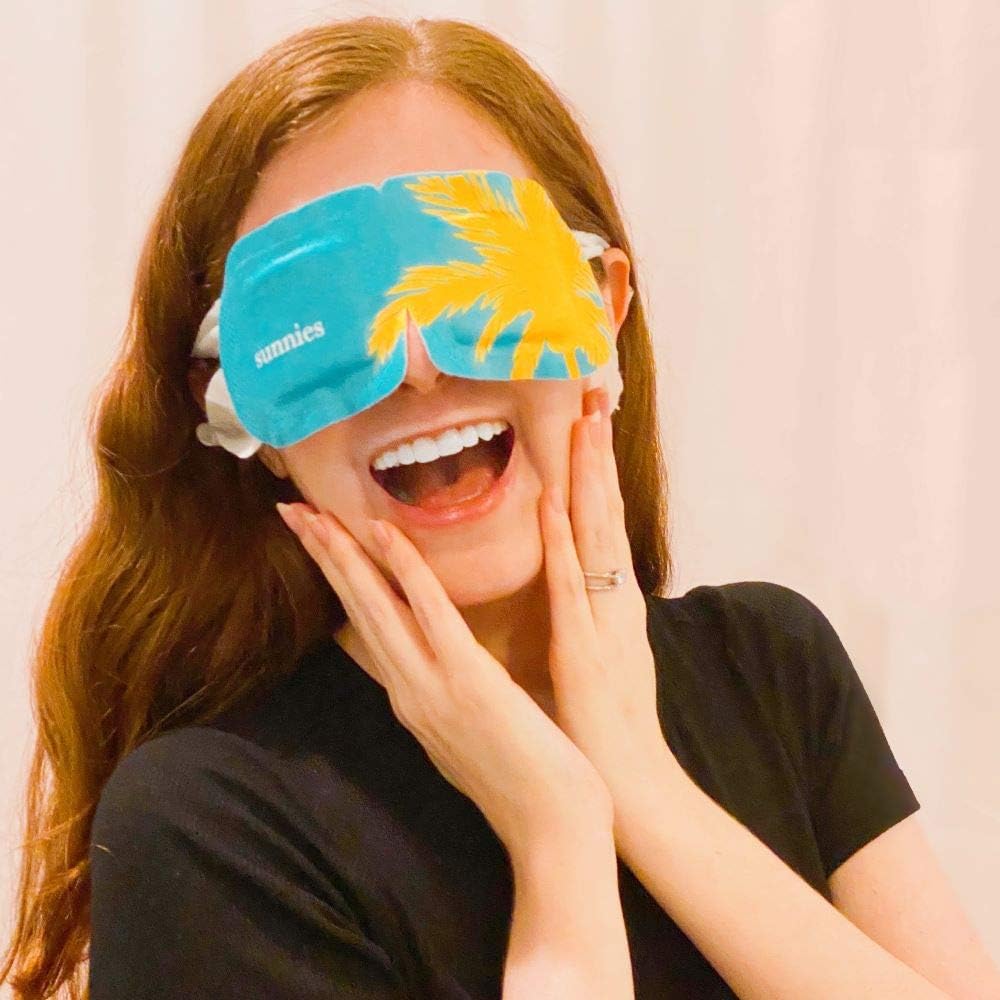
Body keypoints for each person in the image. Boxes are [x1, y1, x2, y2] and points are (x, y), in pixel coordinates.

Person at [4, 15, 997, 1000]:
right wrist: (557, 836)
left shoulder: (774, 668)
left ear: (601, 306)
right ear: (237, 409)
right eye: (325, 313)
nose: (418, 365)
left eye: (473, 272)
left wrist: (645, 787)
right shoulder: (207, 827)